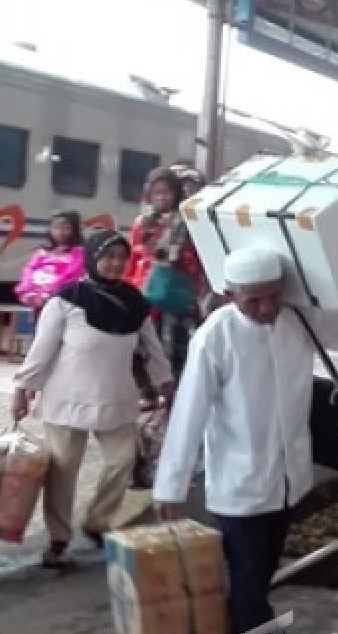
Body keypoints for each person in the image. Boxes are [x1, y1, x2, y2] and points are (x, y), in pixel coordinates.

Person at [152, 246, 338, 634]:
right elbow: (190, 412)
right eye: (252, 301)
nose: (264, 309)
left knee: (254, 579)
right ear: (230, 294)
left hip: (288, 480)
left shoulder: (298, 318)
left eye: (272, 297)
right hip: (238, 485)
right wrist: (170, 484)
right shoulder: (215, 336)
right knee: (250, 588)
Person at [12, 230, 174, 568]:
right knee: (62, 471)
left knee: (123, 461)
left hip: (116, 398)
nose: (115, 263)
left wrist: (166, 384)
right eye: (108, 256)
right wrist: (22, 389)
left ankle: (98, 520)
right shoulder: (65, 300)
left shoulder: (135, 303)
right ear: (92, 258)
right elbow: (41, 351)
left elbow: (152, 350)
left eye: (121, 257)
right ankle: (58, 540)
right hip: (67, 399)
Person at [125, 168, 206, 380]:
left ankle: (173, 393)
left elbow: (196, 259)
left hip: (174, 293)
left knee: (174, 346)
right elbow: (133, 258)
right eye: (156, 192)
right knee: (142, 345)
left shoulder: (187, 222)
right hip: (143, 292)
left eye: (167, 192)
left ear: (176, 193)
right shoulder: (142, 223)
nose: (161, 197)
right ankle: (149, 391)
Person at [13, 211, 85, 309]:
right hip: (36, 301)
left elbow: (72, 276)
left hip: (60, 303)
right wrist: (28, 292)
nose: (60, 232)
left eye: (66, 228)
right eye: (56, 228)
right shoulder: (42, 252)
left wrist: (47, 293)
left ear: (74, 230)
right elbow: (28, 271)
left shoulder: (79, 252)